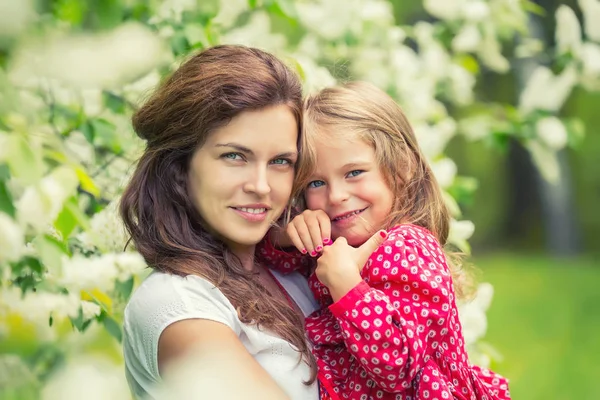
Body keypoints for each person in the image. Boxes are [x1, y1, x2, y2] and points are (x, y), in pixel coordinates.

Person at [258, 82, 511, 400]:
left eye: (354, 173)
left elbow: (398, 369)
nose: (336, 196)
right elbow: (279, 263)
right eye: (317, 182)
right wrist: (290, 233)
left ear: (400, 167)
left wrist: (347, 286)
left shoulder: (406, 248)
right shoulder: (343, 243)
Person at [119, 45, 321, 400]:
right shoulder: (177, 304)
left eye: (280, 161)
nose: (260, 186)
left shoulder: (296, 272)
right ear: (180, 167)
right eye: (234, 156)